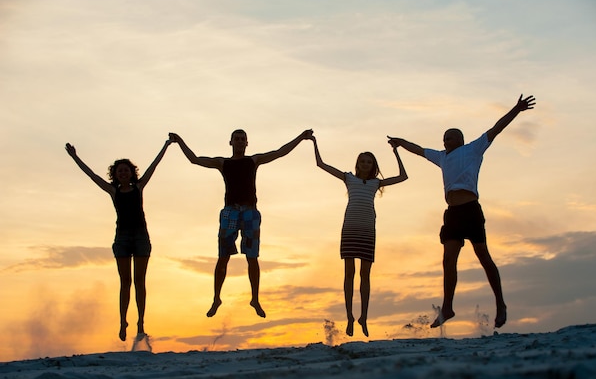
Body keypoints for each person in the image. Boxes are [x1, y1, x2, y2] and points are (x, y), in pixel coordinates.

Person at [388, 94, 536, 329]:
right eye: (444, 138)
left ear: (461, 139)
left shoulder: (473, 149)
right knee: (448, 260)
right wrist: (399, 141)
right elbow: (418, 150)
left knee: (484, 257)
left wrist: (516, 109)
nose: (447, 140)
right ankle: (447, 307)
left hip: (471, 210)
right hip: (452, 214)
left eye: (451, 137)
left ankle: (501, 304)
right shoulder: (441, 157)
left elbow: (496, 128)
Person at [169, 128, 314, 318]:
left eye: (242, 139)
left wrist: (301, 138)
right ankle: (216, 299)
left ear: (247, 143)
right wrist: (179, 141)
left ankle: (255, 298)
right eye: (236, 139)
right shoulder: (223, 163)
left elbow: (280, 152)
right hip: (230, 211)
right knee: (223, 256)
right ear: (231, 142)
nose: (239, 142)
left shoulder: (253, 161)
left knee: (252, 257)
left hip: (250, 212)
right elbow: (195, 159)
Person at [65, 139, 173, 341]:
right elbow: (91, 175)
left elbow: (154, 166)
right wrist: (75, 157)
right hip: (122, 238)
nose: (123, 173)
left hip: (141, 237)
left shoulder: (139, 188)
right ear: (115, 175)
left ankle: (141, 321)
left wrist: (166, 146)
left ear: (132, 173)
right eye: (119, 171)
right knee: (125, 282)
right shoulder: (113, 191)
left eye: (126, 170)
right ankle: (123, 321)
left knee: (140, 281)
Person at [313, 137, 408, 337]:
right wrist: (314, 142)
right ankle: (349, 316)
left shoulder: (376, 183)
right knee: (349, 273)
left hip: (367, 230)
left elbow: (403, 176)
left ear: (373, 165)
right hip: (350, 229)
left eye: (369, 161)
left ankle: (363, 317)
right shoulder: (349, 178)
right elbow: (321, 164)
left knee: (365, 274)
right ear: (357, 164)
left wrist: (396, 151)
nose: (365, 164)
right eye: (362, 161)